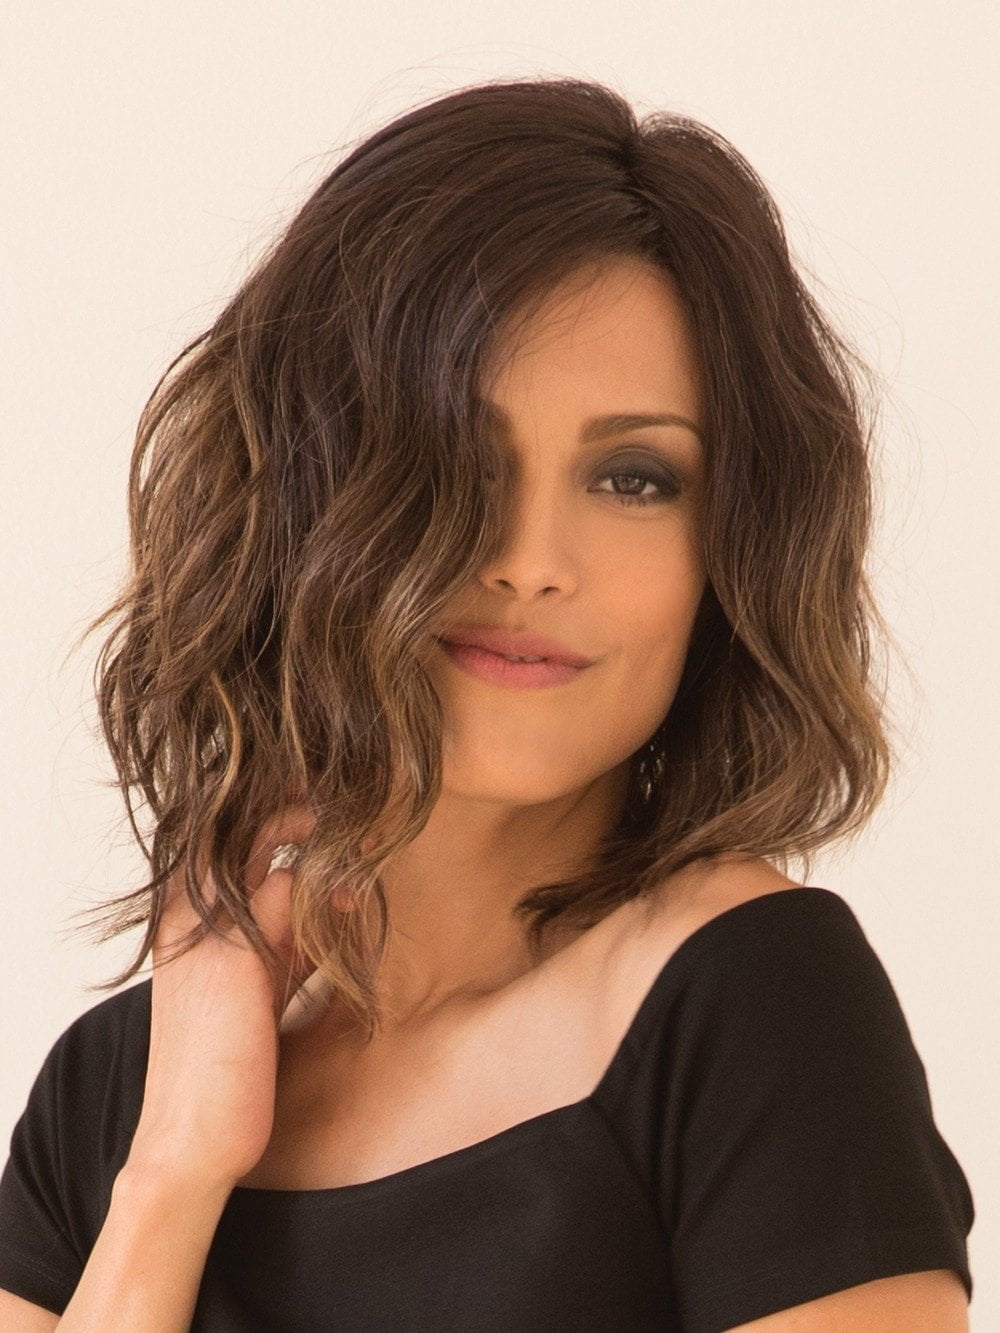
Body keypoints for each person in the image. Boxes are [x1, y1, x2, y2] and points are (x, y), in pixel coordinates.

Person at [0, 77, 974, 1330]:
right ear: (305, 498)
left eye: (633, 477)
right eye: (456, 458)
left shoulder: (753, 1000)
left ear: (731, 554)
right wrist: (174, 1173)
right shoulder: (120, 1090)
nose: (529, 560)